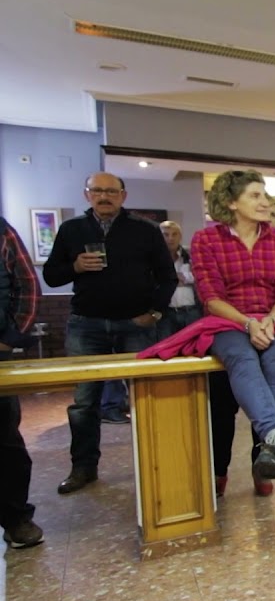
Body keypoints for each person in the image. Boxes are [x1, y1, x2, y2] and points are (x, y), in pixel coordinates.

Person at [41, 172, 176, 494]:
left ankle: (156, 465)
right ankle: (83, 468)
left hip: (136, 323)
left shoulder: (144, 229)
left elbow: (167, 276)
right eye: (97, 190)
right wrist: (74, 267)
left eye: (111, 191)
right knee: (85, 403)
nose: (104, 196)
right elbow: (51, 276)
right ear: (87, 194)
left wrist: (155, 312)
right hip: (86, 324)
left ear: (123, 196)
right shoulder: (72, 229)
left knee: (146, 398)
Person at [191, 169, 275, 484]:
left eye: (264, 194)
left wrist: (269, 319)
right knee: (242, 358)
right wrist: (247, 323)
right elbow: (210, 297)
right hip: (227, 320)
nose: (264, 201)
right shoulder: (206, 240)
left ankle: (271, 441)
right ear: (231, 202)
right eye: (255, 195)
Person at [0, 216, 43, 548]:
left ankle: (16, 518)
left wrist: (10, 337)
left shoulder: (2, 230)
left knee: (5, 437)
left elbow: (28, 282)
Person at [156, 220, 204, 339]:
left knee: (196, 349)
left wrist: (175, 278)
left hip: (192, 312)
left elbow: (200, 277)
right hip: (166, 314)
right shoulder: (153, 258)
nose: (170, 238)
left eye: (174, 234)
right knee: (166, 350)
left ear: (180, 236)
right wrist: (183, 278)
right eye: (166, 234)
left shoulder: (192, 255)